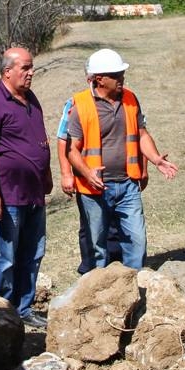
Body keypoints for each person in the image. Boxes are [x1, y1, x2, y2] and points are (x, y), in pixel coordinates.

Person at [64, 48, 178, 270]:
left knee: (137, 241)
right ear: (99, 79)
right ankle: (98, 288)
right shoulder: (81, 106)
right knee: (97, 247)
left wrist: (155, 159)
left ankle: (134, 284)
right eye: (116, 75)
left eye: (122, 74)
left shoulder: (130, 99)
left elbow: (141, 134)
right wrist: (87, 173)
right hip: (94, 189)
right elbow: (71, 149)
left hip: (128, 185)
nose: (121, 78)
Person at [0, 47, 53, 328]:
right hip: (7, 197)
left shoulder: (31, 99)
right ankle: (2, 313)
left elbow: (40, 141)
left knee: (32, 254)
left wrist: (46, 175)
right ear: (7, 72)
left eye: (32, 67)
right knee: (6, 257)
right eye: (25, 68)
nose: (31, 73)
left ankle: (24, 308)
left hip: (33, 194)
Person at [56, 97, 125, 273]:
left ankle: (116, 269)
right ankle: (90, 272)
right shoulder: (76, 103)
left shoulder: (124, 100)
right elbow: (63, 139)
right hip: (88, 183)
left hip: (118, 180)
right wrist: (66, 174)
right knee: (91, 227)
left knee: (115, 226)